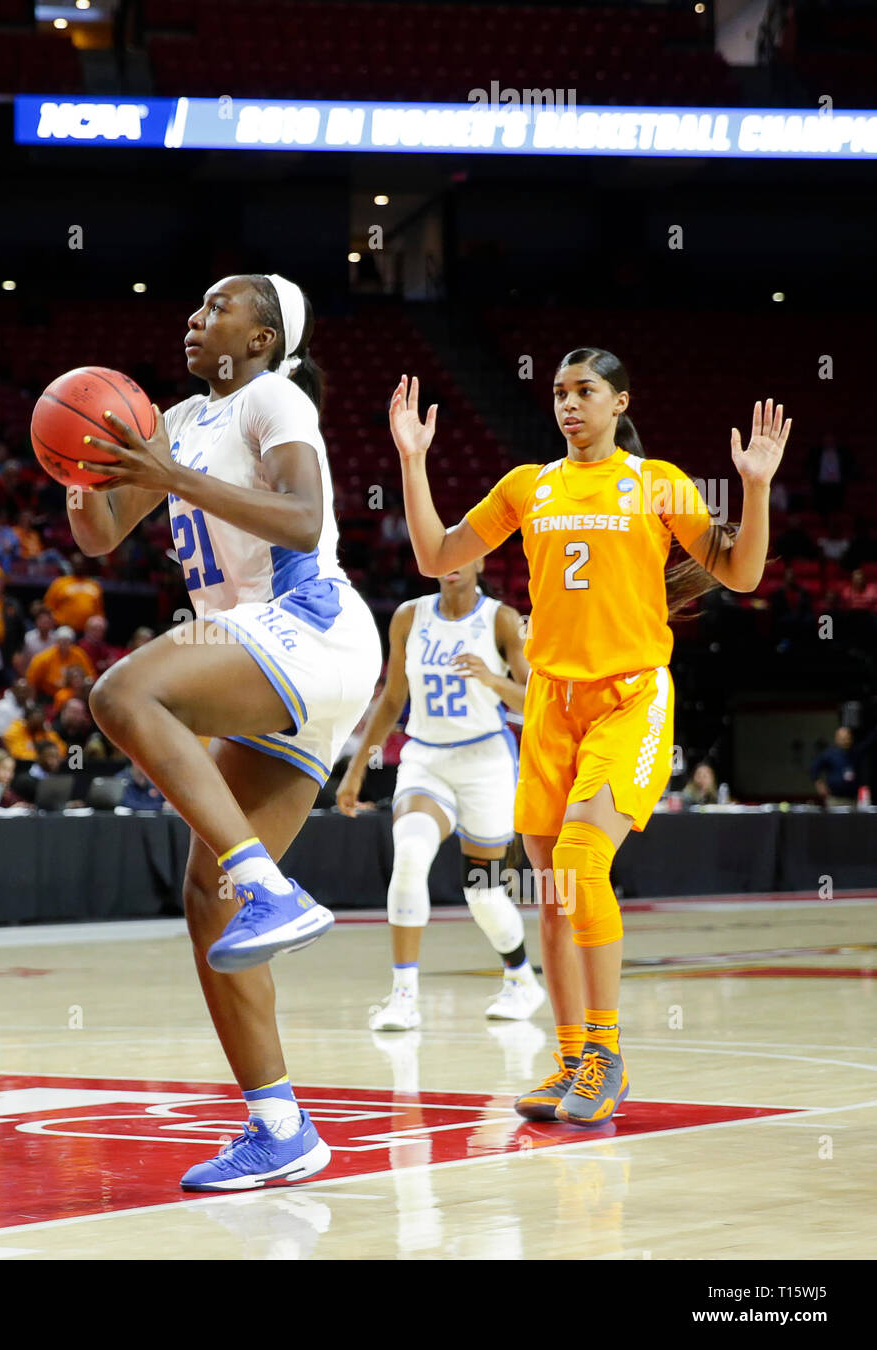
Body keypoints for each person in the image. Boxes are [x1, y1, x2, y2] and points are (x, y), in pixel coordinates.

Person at [392, 351, 789, 1127]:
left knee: (578, 861)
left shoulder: (656, 482)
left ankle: (607, 1055)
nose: (569, 406)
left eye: (585, 393)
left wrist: (755, 486)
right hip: (549, 702)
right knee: (550, 896)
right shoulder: (528, 486)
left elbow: (739, 574)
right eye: (559, 394)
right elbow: (436, 554)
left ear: (619, 403)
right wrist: (413, 463)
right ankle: (571, 1059)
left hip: (628, 699)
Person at [71, 272, 381, 1190]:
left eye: (220, 305)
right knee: (208, 901)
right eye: (195, 302)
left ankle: (272, 887)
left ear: (264, 337)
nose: (196, 314)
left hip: (310, 623)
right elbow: (98, 536)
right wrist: (77, 467)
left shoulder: (274, 397)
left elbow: (304, 516)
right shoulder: (173, 419)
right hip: (267, 661)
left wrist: (172, 475)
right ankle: (281, 1127)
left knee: (125, 696)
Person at [337, 562, 542, 1027]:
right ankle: (404, 996)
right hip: (426, 758)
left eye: (461, 556)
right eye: (442, 557)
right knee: (409, 855)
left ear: (480, 563)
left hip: (485, 761)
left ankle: (521, 979)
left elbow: (534, 701)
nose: (452, 566)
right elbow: (392, 699)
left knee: (484, 894)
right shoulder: (409, 616)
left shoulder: (501, 619)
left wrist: (492, 680)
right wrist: (354, 773)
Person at [26, 626, 95, 701]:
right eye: (62, 641)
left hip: (76, 695)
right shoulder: (43, 658)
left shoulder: (79, 655)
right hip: (49, 696)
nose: (64, 644)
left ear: (71, 642)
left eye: (67, 641)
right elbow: (31, 680)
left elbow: (90, 676)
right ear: (57, 642)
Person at [44, 552, 105, 632]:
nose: (78, 566)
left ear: (85, 565)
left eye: (81, 564)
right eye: (76, 563)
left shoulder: (94, 585)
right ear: (71, 565)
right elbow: (48, 608)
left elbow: (99, 612)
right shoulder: (60, 583)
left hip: (88, 632)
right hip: (64, 629)